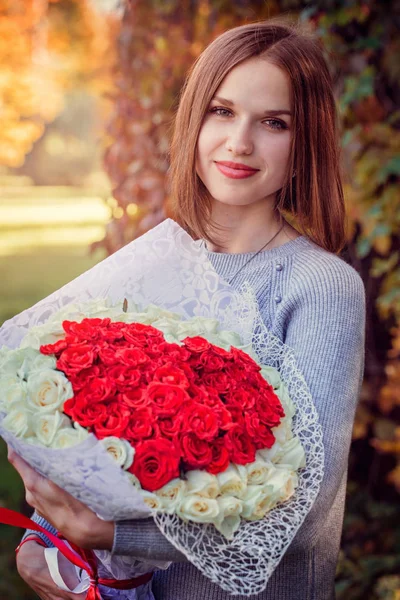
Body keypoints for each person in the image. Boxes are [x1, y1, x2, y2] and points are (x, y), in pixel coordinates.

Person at [8, 19, 366, 600]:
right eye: (221, 112)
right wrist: (43, 537)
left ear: (305, 144)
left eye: (273, 123)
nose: (239, 142)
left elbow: (301, 512)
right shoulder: (156, 261)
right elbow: (88, 430)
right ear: (193, 119)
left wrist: (113, 533)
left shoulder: (321, 287)